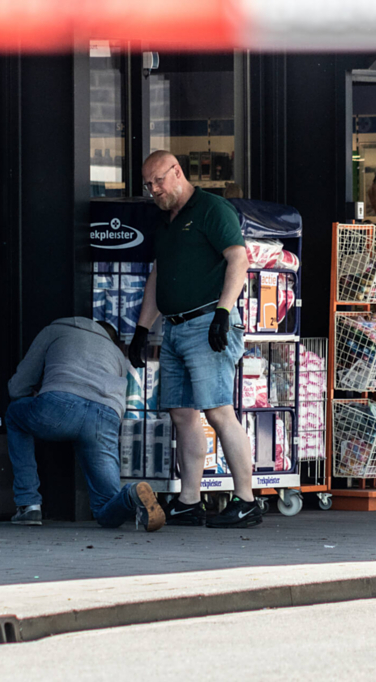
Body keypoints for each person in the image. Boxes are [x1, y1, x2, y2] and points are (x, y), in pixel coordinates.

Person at [128, 150, 261, 529]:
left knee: (218, 411)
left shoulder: (212, 209)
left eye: (159, 181)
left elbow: (238, 259)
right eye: (148, 185)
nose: (154, 190)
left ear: (178, 172)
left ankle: (247, 501)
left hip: (207, 324)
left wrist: (223, 312)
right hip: (174, 327)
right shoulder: (165, 221)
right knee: (182, 413)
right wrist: (142, 329)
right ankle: (189, 500)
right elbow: (158, 275)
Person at [5, 317, 164, 532]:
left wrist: (36, 394)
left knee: (15, 415)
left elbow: (18, 386)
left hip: (60, 405)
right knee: (106, 507)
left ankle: (28, 504)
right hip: (105, 417)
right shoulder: (117, 353)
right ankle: (130, 495)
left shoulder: (55, 330)